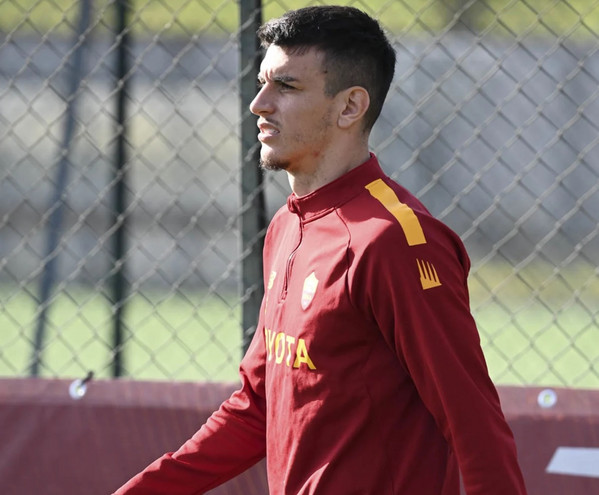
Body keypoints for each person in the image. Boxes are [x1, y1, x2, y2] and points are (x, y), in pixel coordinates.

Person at [113, 6, 527, 495]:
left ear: (349, 107)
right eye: (262, 83)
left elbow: (475, 427)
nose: (259, 104)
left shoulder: (393, 241)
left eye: (286, 87)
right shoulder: (286, 226)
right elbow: (256, 409)